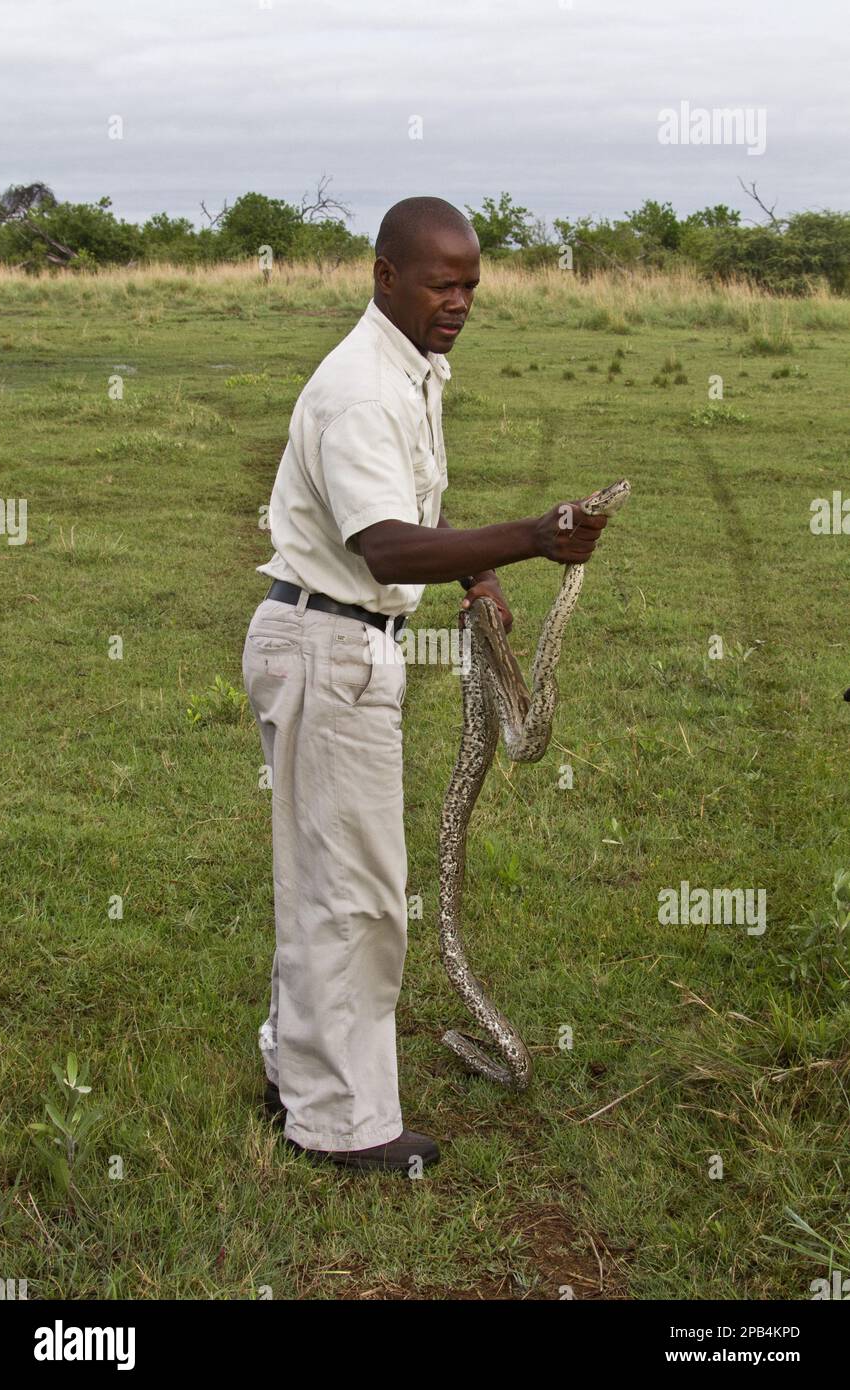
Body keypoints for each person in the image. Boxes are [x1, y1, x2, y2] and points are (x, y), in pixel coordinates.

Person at [243, 195, 609, 1172]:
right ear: (386, 276)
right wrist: (529, 539)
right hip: (329, 646)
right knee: (355, 896)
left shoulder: (409, 372)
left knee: (327, 877)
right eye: (441, 283)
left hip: (332, 639)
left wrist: (476, 571)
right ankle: (340, 1127)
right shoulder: (362, 388)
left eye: (471, 284)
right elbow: (385, 541)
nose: (458, 301)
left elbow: (413, 518)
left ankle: (295, 1069)